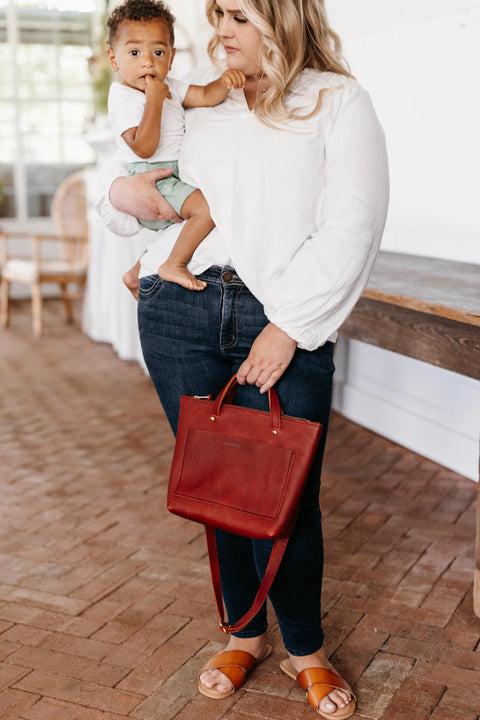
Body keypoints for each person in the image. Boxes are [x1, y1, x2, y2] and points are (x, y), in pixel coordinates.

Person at [97, 0, 389, 716]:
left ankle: (306, 648)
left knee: (287, 497)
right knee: (218, 493)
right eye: (217, 13)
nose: (219, 29)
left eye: (238, 14)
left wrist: (289, 325)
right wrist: (119, 199)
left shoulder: (334, 100)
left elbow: (354, 221)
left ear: (284, 16)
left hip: (279, 317)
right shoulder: (200, 99)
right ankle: (243, 632)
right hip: (179, 313)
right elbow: (134, 178)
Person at [106, 0, 246, 294]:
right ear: (113, 59)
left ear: (170, 58)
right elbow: (143, 147)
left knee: (177, 230)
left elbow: (206, 96)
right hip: (151, 177)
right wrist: (155, 100)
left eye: (158, 52)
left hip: (171, 176)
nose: (147, 62)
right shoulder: (125, 97)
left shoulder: (171, 85)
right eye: (134, 53)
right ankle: (174, 265)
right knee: (206, 212)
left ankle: (136, 273)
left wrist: (224, 82)